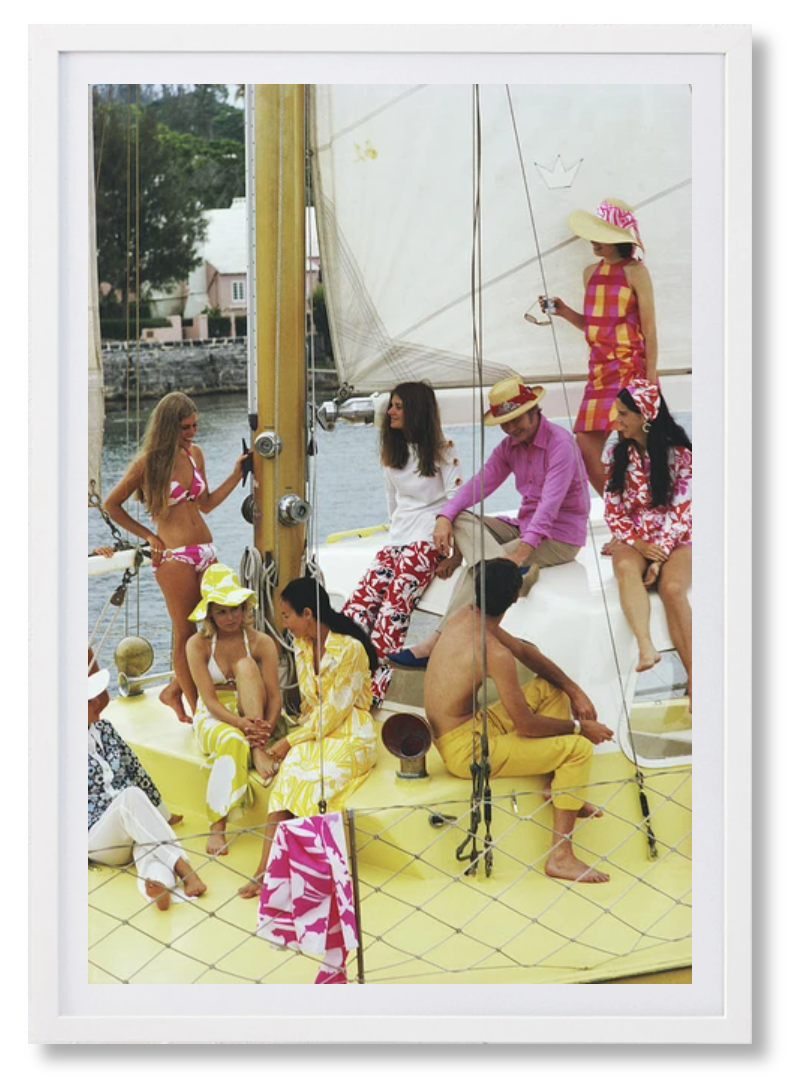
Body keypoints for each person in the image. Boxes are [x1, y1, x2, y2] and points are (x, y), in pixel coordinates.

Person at [423, 559, 614, 883]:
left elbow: (525, 653)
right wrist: (581, 728)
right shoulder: (493, 652)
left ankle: (557, 787)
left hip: (468, 727)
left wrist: (573, 689)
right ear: (515, 598)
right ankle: (561, 856)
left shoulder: (465, 617)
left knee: (550, 688)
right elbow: (525, 724)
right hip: (465, 750)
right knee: (578, 750)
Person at [390, 376, 589, 668]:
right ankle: (512, 576)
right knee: (459, 515)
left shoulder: (561, 444)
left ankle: (434, 643)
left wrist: (519, 554)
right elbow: (479, 484)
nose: (510, 428)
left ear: (534, 411)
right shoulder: (510, 446)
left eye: (515, 420)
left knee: (478, 571)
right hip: (523, 525)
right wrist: (444, 517)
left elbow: (549, 507)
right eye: (504, 423)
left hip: (560, 536)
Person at [104, 392, 250, 725]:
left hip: (206, 551)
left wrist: (236, 473)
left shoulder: (194, 454)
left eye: (195, 425)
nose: (192, 433)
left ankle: (173, 689)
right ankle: (199, 710)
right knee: (185, 633)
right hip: (174, 557)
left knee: (215, 624)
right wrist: (149, 536)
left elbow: (206, 503)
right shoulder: (148, 463)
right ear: (169, 426)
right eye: (186, 427)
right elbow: (112, 504)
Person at [238, 578, 378, 898]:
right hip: (315, 730)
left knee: (318, 783)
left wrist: (291, 741)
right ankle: (264, 870)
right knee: (289, 777)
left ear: (307, 613)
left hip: (351, 731)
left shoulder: (350, 649)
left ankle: (308, 879)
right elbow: (310, 707)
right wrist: (295, 737)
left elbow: (337, 708)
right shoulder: (301, 646)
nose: (284, 624)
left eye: (287, 616)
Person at [342, 381, 463, 706]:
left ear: (416, 411)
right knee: (355, 609)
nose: (391, 412)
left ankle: (372, 694)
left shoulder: (444, 449)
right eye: (391, 406)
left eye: (398, 407)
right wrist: (392, 543)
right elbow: (392, 502)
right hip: (397, 539)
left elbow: (457, 500)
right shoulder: (391, 453)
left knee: (392, 613)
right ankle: (344, 678)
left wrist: (455, 555)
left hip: (427, 540)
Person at [540, 198, 658, 495]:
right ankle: (618, 508)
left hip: (629, 371)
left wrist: (649, 381)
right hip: (599, 373)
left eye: (600, 237)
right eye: (592, 235)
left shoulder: (636, 272)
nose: (593, 241)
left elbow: (649, 330)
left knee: (633, 450)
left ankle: (639, 511)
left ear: (617, 239)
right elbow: (595, 325)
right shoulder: (590, 273)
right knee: (585, 446)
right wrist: (564, 311)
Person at [88, 659, 207, 910]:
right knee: (131, 798)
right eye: (90, 700)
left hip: (128, 825)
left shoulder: (105, 729)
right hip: (96, 839)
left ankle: (159, 887)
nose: (99, 702)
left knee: (148, 841)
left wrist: (162, 814)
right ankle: (185, 870)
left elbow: (136, 769)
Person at [603, 379, 692, 705]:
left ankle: (697, 678)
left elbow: (681, 513)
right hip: (636, 538)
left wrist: (659, 556)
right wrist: (638, 544)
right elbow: (613, 511)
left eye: (624, 414)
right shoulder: (616, 455)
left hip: (678, 538)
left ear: (645, 416)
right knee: (626, 569)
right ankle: (646, 646)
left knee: (672, 589)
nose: (617, 421)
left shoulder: (681, 456)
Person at [186, 564, 285, 857]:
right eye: (221, 612)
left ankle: (257, 747)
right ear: (210, 614)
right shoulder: (197, 645)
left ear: (244, 609)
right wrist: (242, 725)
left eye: (235, 610)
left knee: (246, 665)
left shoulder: (261, 642)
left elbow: (275, 697)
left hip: (255, 709)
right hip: (215, 714)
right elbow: (209, 701)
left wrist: (264, 728)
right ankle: (217, 825)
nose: (230, 618)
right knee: (232, 740)